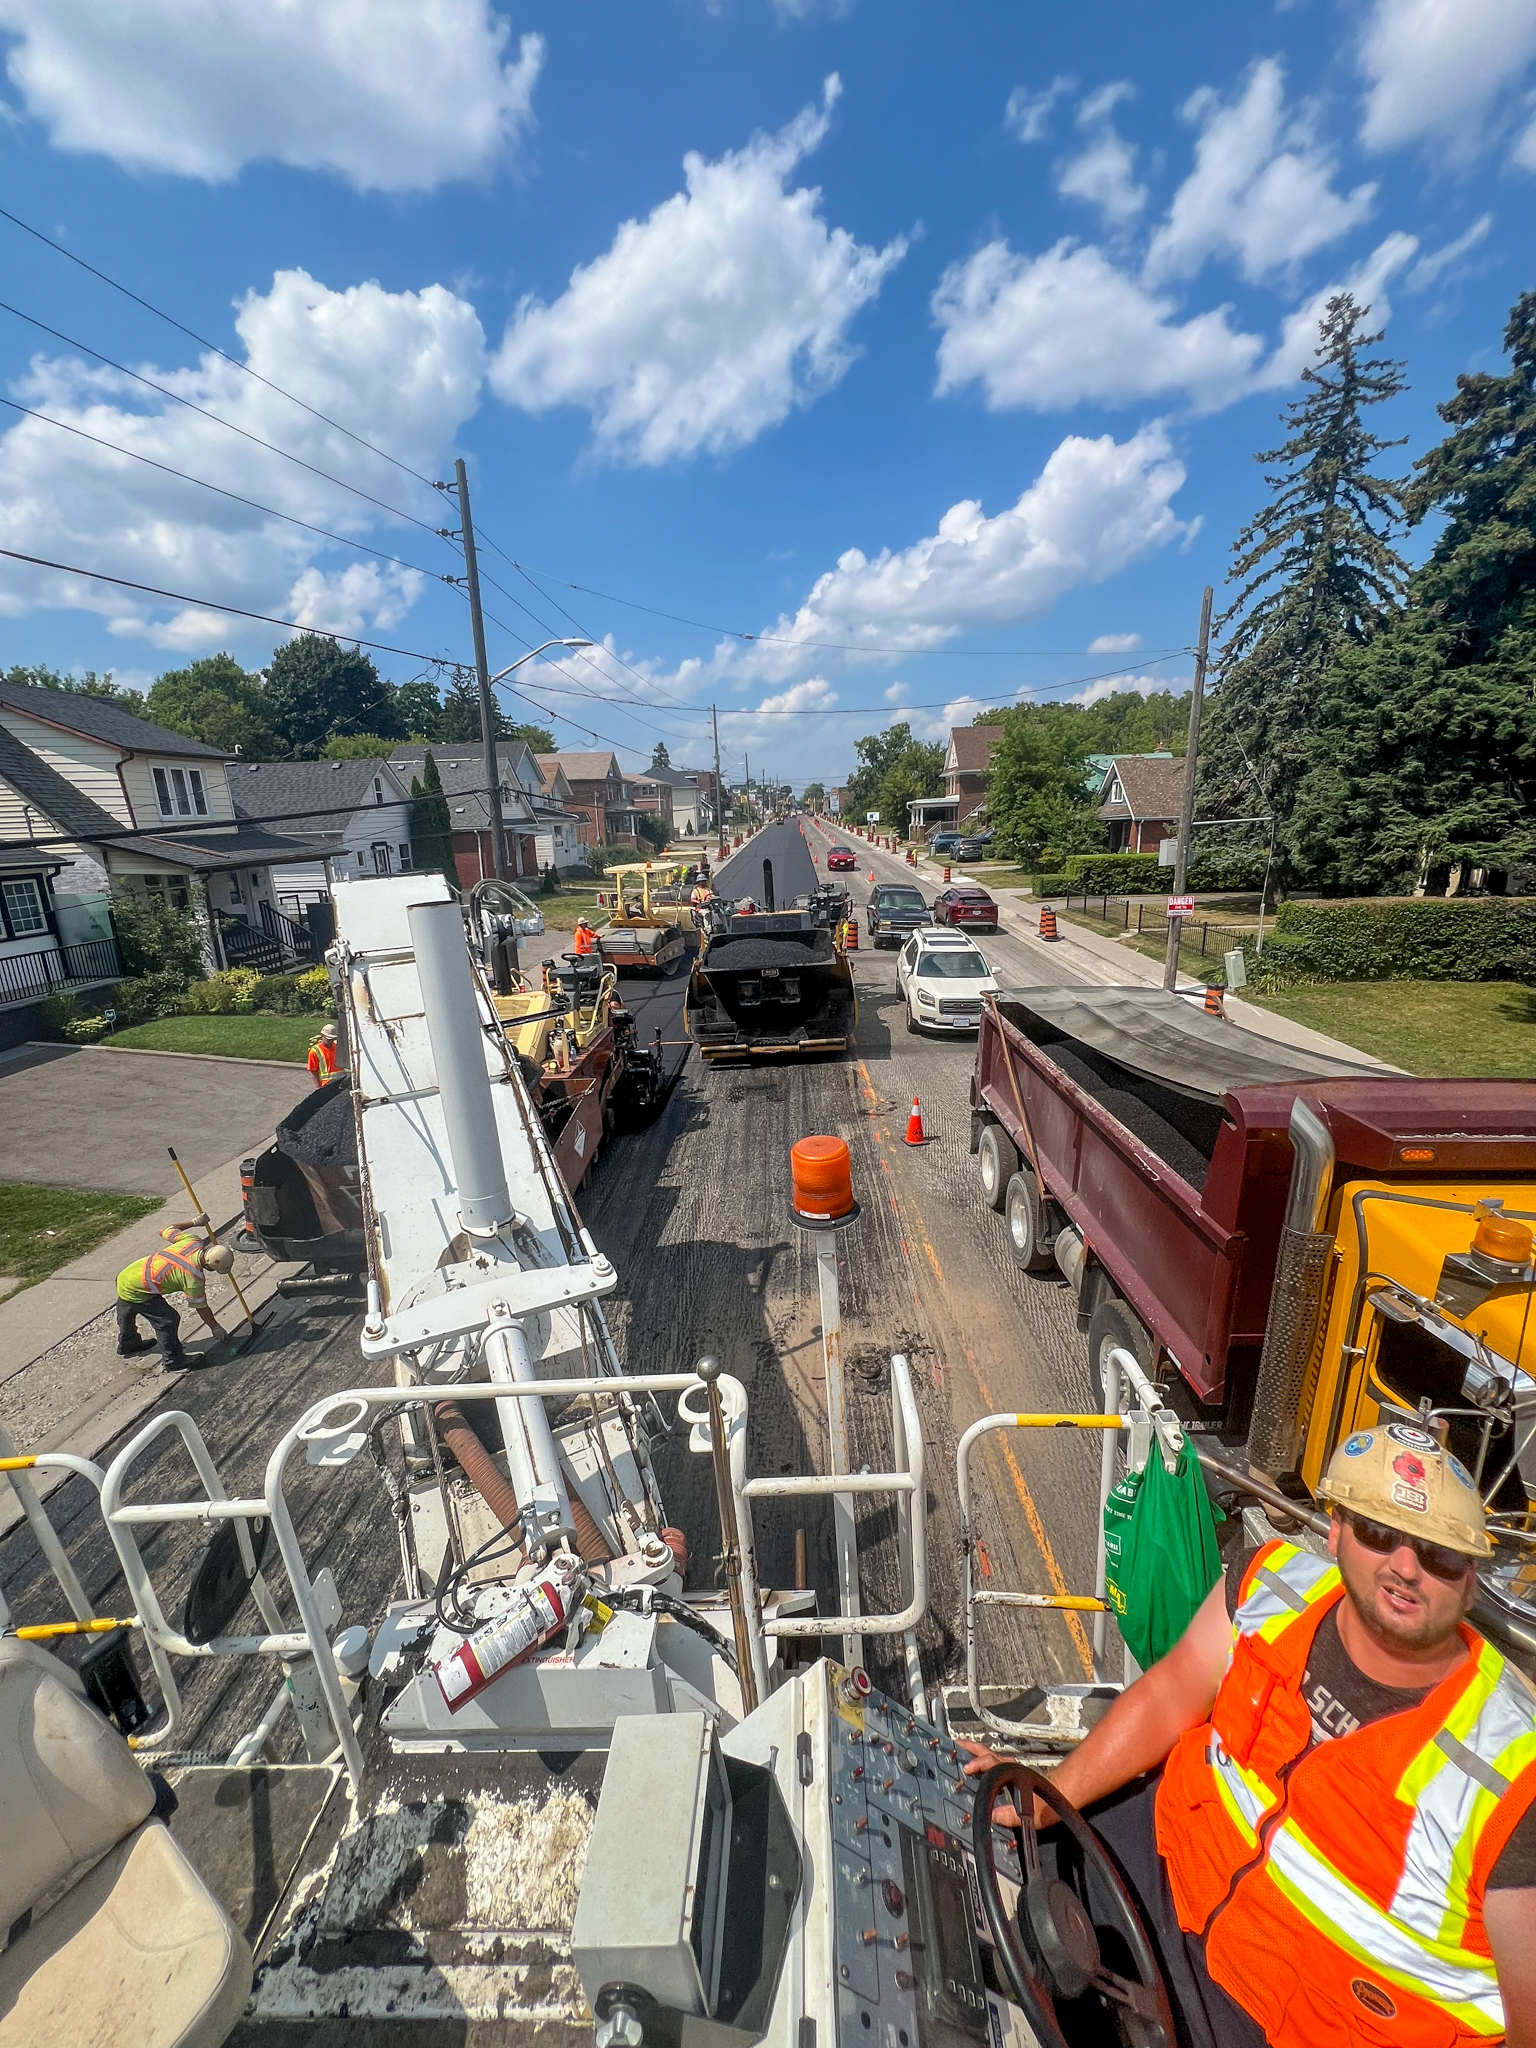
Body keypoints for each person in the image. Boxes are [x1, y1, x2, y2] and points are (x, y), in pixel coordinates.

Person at [962, 1428, 1536, 2046]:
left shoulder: (1510, 1776)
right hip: (1157, 1869)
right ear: (1336, 1529)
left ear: (1471, 1579)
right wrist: (1054, 1794)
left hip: (1274, 2022)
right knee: (964, 1890)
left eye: (1439, 1553)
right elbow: (1168, 1695)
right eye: (1379, 1531)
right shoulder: (1272, 1586)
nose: (1405, 1565)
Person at [115, 1223, 234, 1369]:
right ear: (210, 1266)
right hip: (139, 1289)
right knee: (167, 1321)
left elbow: (164, 1229)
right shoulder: (193, 1278)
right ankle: (174, 1360)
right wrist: (215, 1327)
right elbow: (201, 1307)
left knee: (127, 1308)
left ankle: (128, 1342)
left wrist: (194, 1222)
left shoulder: (193, 1241)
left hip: (128, 1275)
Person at [307, 1020, 340, 1087]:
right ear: (322, 1036)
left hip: (340, 1082)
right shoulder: (315, 1051)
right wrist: (318, 1087)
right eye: (329, 1039)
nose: (331, 1042)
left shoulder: (337, 1047)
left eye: (332, 1039)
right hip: (326, 1085)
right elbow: (313, 1070)